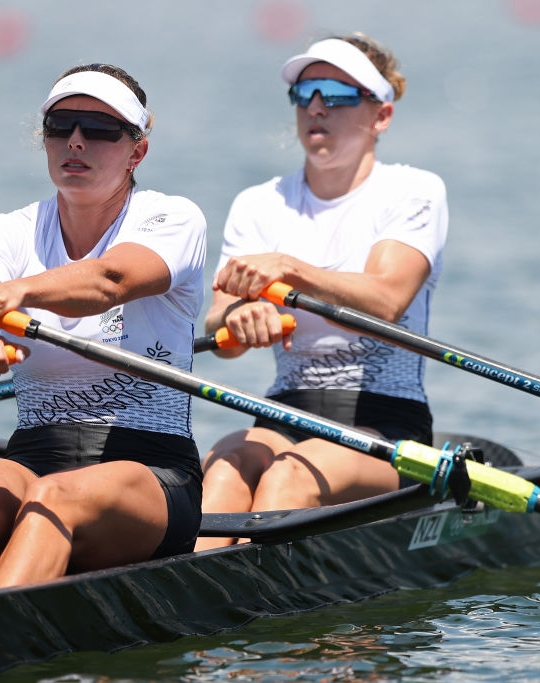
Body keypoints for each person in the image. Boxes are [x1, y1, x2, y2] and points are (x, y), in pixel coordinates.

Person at [0, 63, 207, 609]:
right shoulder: (4, 231)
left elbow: (109, 280)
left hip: (151, 473)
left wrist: (14, 294)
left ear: (136, 152)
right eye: (60, 125)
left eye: (99, 130)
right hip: (33, 456)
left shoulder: (172, 218)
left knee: (54, 497)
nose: (75, 141)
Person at [194, 34, 448, 551]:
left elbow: (386, 299)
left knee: (290, 476)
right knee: (221, 466)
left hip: (383, 423)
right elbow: (216, 326)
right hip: (286, 409)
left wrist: (289, 268)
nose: (315, 107)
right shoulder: (259, 203)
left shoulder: (414, 191)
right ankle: (190, 611)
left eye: (335, 93)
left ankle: (248, 611)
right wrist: (240, 321)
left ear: (381, 116)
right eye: (304, 92)